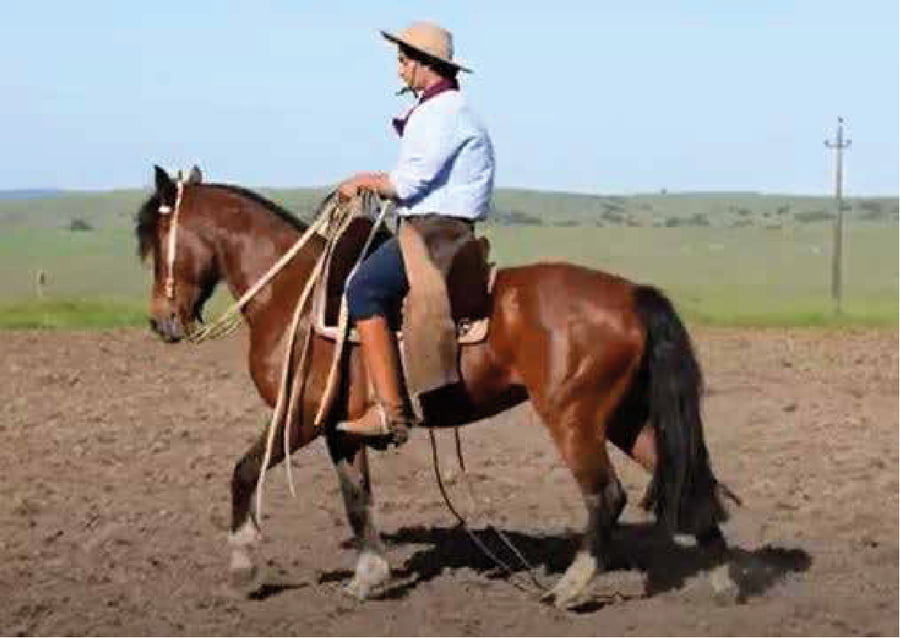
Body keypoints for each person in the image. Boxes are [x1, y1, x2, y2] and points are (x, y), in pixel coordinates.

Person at [335, 21, 495, 443]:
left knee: (362, 288)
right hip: (434, 225)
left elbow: (407, 184)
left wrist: (361, 181)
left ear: (427, 64)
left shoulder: (441, 113)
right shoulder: (448, 110)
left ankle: (390, 411)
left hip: (434, 232)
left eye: (404, 61)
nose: (400, 69)